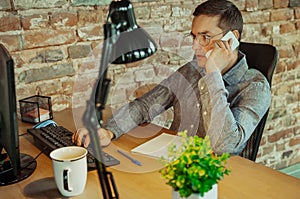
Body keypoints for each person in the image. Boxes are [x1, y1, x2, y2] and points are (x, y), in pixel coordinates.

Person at [72, 0, 271, 155]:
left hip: (220, 179)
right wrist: (109, 131)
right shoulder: (190, 71)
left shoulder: (256, 87)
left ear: (232, 38)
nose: (195, 46)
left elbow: (224, 145)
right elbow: (144, 106)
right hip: (172, 164)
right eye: (194, 37)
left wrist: (213, 74)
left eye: (206, 37)